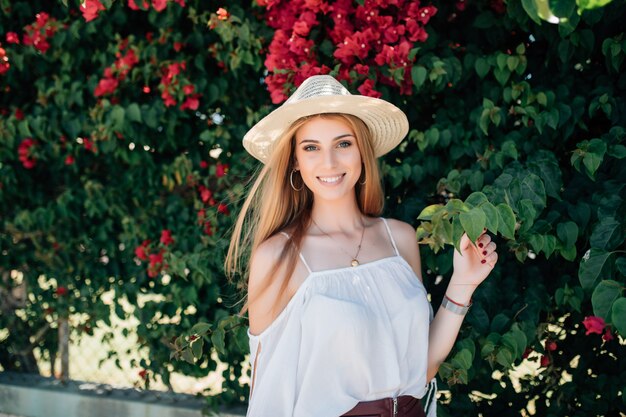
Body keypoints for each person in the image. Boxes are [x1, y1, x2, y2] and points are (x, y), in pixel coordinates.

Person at [225, 75, 498, 417]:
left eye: (343, 144)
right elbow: (267, 393)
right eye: (311, 147)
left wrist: (463, 283)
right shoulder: (278, 256)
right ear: (295, 161)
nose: (329, 163)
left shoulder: (399, 239)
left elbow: (420, 370)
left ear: (362, 150)